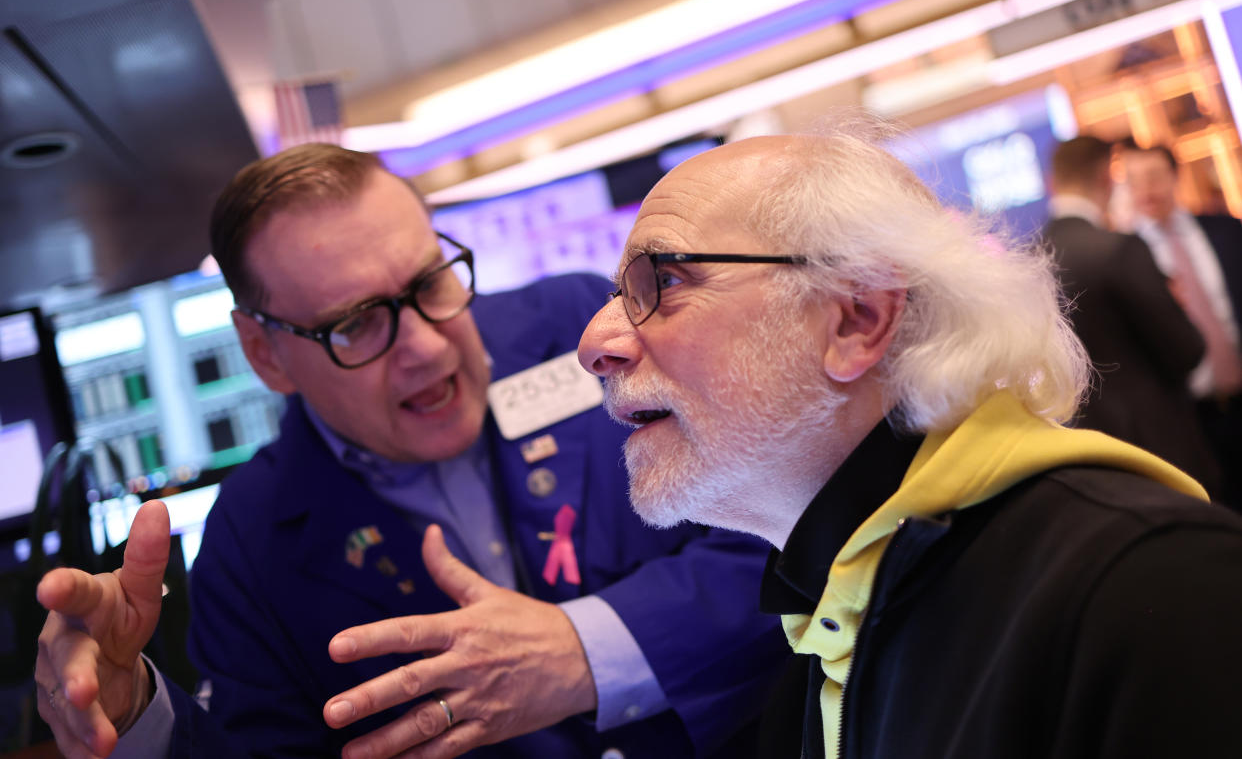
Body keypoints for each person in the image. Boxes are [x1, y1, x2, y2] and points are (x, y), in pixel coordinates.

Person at [34, 143, 787, 759]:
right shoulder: (250, 542)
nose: (427, 348)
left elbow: (791, 541)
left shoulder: (585, 332)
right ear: (265, 354)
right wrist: (136, 715)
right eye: (357, 324)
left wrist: (584, 649)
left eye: (429, 282)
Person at [577, 127, 1242, 759]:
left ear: (856, 317)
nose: (595, 343)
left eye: (662, 282)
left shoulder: (1148, 583)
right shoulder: (831, 629)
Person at [1042, 135, 1220, 490]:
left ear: (1052, 182)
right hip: (1163, 446)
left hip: (1091, 457)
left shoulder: (1030, 259)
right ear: (1108, 180)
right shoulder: (1119, 248)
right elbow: (1187, 351)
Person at [1121, 138, 1242, 510]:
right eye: (1133, 180)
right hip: (1191, 420)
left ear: (1175, 176)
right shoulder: (1126, 258)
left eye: (1154, 176)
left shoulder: (1227, 231)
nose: (1146, 190)